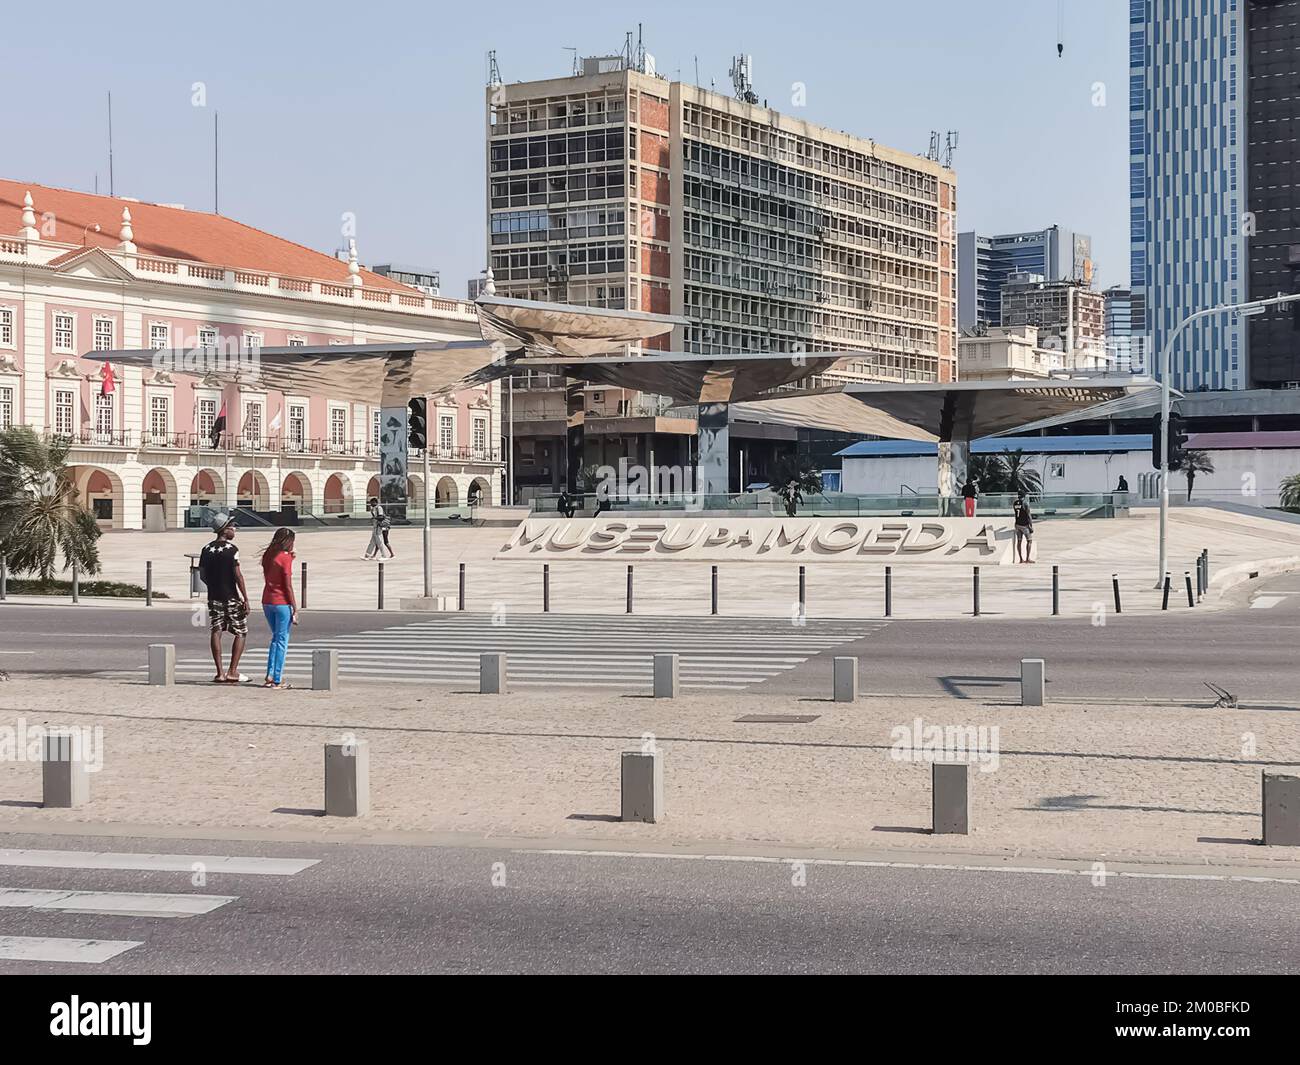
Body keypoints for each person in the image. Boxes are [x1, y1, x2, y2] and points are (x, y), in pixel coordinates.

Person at [198, 513, 250, 683]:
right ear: (225, 529)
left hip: (214, 597)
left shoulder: (206, 549)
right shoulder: (232, 550)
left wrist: (213, 586)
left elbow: (203, 575)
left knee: (216, 630)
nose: (234, 529)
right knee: (241, 632)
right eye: (232, 526)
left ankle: (219, 673)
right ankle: (232, 671)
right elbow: (238, 575)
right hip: (231, 596)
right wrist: (245, 598)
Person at [260, 527, 299, 689]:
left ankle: (270, 674)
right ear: (288, 541)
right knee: (282, 639)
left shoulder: (268, 555)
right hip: (281, 601)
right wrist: (295, 607)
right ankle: (277, 678)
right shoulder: (285, 558)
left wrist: (290, 557)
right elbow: (287, 585)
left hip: (267, 600)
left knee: (275, 638)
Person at [1014, 494, 1035, 563]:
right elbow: (1029, 515)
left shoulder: (1015, 503)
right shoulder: (1025, 503)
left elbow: (1017, 513)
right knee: (1029, 541)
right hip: (1024, 525)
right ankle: (1027, 558)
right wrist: (1031, 526)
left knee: (1019, 541)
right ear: (1024, 496)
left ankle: (1020, 559)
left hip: (1017, 525)